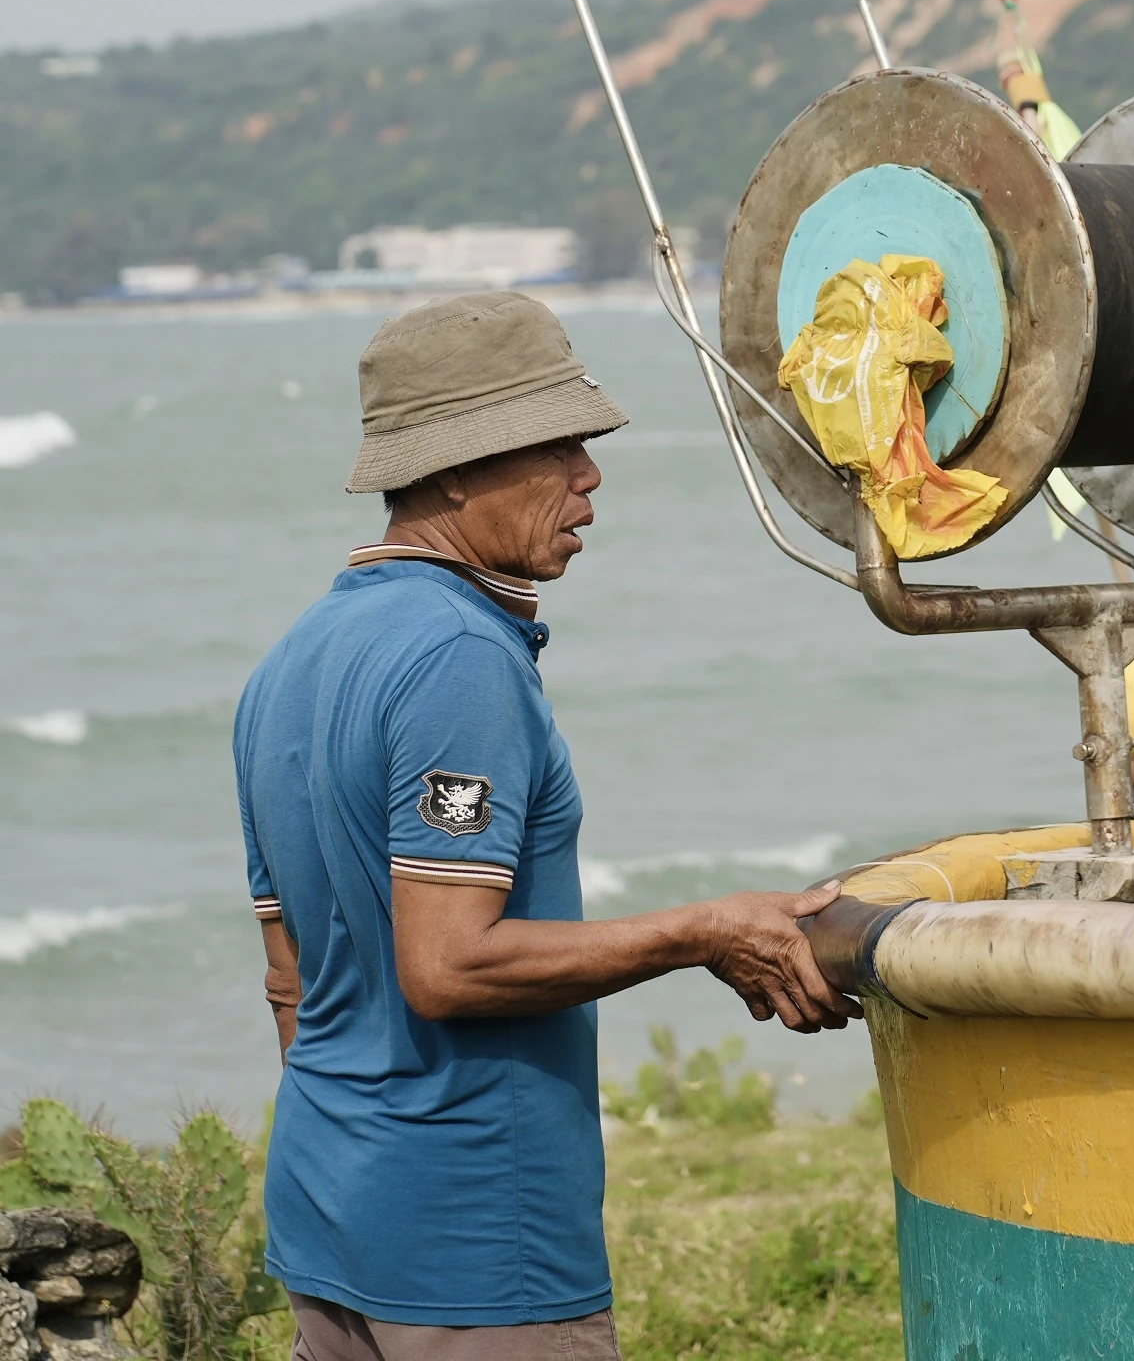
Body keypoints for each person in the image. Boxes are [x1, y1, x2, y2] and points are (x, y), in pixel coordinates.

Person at [234, 292, 852, 1361]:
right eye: (557, 444)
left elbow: (289, 975)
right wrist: (706, 929)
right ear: (455, 468)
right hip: (476, 1248)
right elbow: (447, 965)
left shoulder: (289, 661)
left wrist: (365, 1170)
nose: (590, 473)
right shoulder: (459, 658)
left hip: (331, 1221)